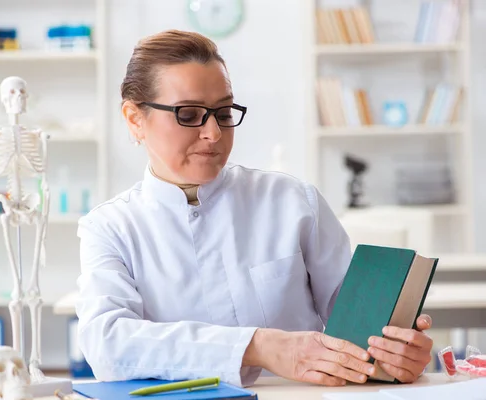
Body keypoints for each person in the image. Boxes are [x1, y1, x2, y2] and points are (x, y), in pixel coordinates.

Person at [75, 29, 433, 388]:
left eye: (223, 111)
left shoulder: (292, 201)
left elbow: (360, 329)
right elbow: (108, 346)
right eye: (189, 114)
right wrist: (257, 346)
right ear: (135, 118)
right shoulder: (110, 227)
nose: (213, 133)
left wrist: (396, 353)